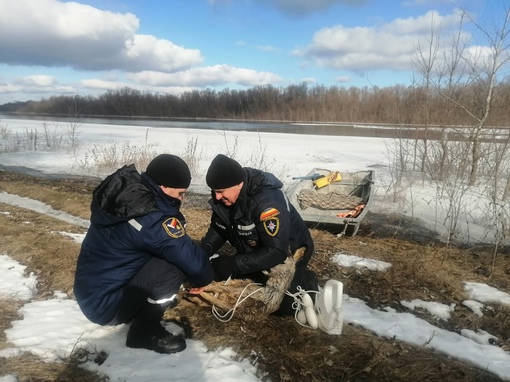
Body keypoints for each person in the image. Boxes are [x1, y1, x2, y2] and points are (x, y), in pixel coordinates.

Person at [74, 154, 214, 354]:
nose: (181, 199)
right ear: (164, 187)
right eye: (181, 193)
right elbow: (198, 267)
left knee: (164, 252)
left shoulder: (127, 198)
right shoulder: (151, 216)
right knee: (173, 266)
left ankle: (142, 304)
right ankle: (143, 331)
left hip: (91, 293)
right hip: (106, 306)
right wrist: (202, 278)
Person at [200, 154, 318, 316]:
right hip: (255, 248)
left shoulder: (268, 204)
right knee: (239, 281)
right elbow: (219, 228)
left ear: (239, 184)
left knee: (282, 308)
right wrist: (205, 249)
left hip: (289, 254)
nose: (217, 197)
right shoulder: (225, 198)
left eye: (221, 191)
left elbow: (277, 251)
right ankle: (256, 272)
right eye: (214, 192)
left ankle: (306, 281)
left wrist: (232, 264)